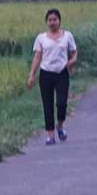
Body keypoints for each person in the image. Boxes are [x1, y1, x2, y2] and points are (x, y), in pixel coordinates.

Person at [27, 8, 77, 146]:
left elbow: (74, 52)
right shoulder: (41, 38)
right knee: (47, 105)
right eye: (50, 20)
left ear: (60, 21)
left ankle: (60, 125)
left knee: (61, 103)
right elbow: (37, 57)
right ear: (46, 22)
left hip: (62, 73)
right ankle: (50, 136)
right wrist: (31, 75)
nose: (52, 22)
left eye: (55, 19)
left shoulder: (67, 36)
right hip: (46, 74)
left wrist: (72, 61)